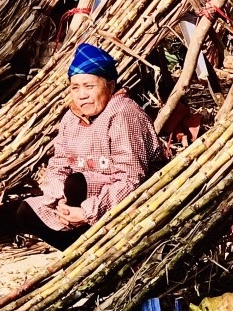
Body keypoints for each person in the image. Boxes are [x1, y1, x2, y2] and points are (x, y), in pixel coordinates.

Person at [17, 43, 164, 250]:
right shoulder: (72, 117)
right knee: (26, 212)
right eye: (75, 87)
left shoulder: (123, 114)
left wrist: (87, 212)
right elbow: (59, 163)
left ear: (110, 86)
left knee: (77, 182)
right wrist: (60, 201)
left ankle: (104, 251)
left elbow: (131, 180)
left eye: (89, 86)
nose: (81, 95)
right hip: (78, 199)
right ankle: (83, 253)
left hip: (122, 203)